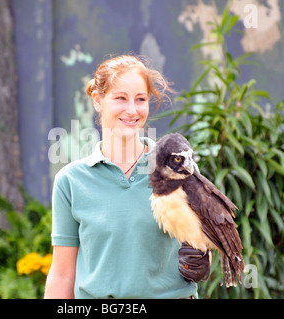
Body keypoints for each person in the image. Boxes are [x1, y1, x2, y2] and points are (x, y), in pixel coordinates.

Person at [44, 54, 210, 299]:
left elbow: (202, 240)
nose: (132, 110)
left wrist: (201, 257)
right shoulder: (71, 181)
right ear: (98, 101)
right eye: (120, 98)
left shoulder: (178, 170)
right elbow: (62, 274)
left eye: (140, 99)